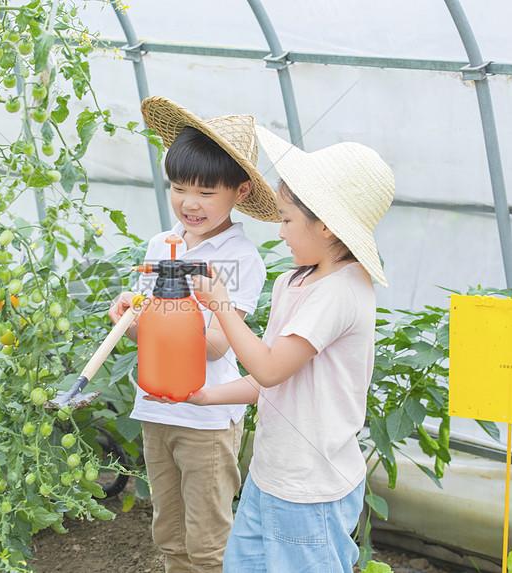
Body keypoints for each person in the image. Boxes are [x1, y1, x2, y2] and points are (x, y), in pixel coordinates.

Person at [146, 126, 395, 572]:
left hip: (311, 487)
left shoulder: (340, 292)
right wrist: (202, 396)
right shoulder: (293, 281)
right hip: (271, 474)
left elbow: (270, 369)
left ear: (326, 226)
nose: (279, 233)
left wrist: (219, 302)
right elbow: (268, 386)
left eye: (285, 219)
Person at [108, 96, 279, 572]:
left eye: (205, 192)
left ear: (240, 192)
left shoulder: (241, 259)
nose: (189, 202)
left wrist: (161, 321)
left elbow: (216, 344)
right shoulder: (161, 244)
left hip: (206, 418)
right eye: (179, 187)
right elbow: (145, 335)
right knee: (168, 532)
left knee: (207, 541)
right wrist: (126, 314)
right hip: (155, 409)